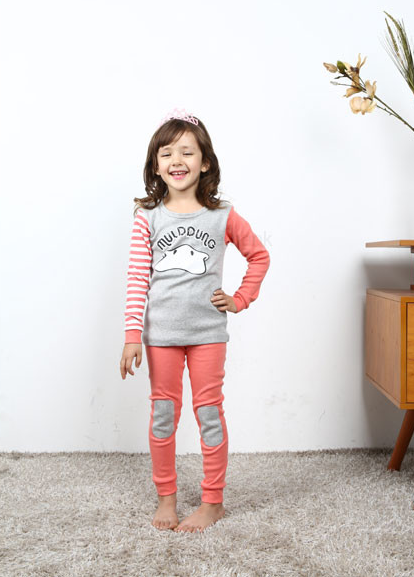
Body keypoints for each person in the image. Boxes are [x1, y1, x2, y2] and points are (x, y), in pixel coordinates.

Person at [119, 108, 270, 533]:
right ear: (156, 165)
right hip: (161, 336)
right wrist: (132, 334)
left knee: (209, 414)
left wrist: (239, 299)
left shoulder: (222, 215)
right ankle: (166, 498)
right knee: (163, 414)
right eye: (167, 153)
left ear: (205, 162)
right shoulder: (147, 217)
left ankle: (212, 501)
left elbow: (259, 256)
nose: (177, 160)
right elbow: (137, 279)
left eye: (187, 152)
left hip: (208, 335)